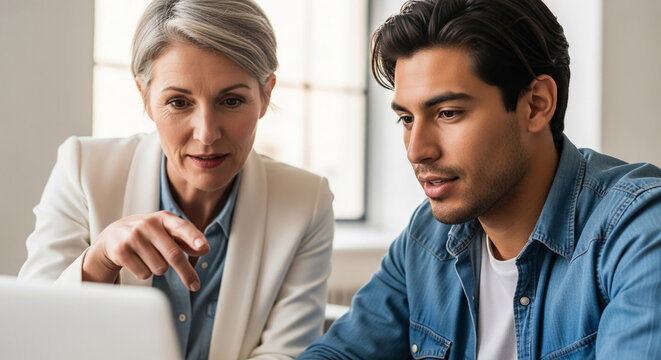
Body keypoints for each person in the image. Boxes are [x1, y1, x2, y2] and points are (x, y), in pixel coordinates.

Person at [298, 0, 661, 359]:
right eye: (407, 119)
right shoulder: (426, 239)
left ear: (536, 104)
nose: (416, 150)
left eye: (448, 113)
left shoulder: (638, 229)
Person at [18, 0, 334, 359]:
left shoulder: (307, 202)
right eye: (179, 103)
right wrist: (99, 262)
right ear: (145, 97)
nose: (207, 134)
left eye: (231, 101)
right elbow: (29, 341)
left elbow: (284, 353)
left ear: (266, 95)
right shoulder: (82, 170)